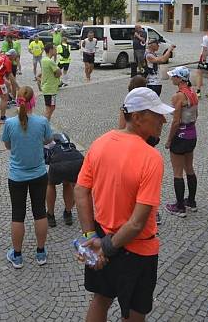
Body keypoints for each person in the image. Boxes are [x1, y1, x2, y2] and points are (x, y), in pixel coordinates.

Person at [75, 87, 172, 322]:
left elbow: (80, 190)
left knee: (100, 299)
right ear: (137, 118)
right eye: (157, 115)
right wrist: (106, 247)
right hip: (137, 250)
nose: (163, 119)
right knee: (135, 312)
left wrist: (92, 238)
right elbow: (137, 223)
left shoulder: (99, 143)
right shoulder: (151, 158)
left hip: (101, 236)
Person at [2, 86, 52, 268]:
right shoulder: (42, 122)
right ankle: (40, 253)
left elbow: (7, 145)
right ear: (33, 102)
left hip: (17, 176)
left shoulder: (9, 123)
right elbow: (47, 140)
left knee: (17, 215)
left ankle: (17, 255)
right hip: (38, 174)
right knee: (40, 212)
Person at [164, 67, 199, 218]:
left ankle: (179, 206)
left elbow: (176, 121)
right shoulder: (192, 92)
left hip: (181, 135)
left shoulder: (178, 96)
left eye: (174, 76)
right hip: (192, 134)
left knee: (178, 172)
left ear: (180, 79)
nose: (172, 79)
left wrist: (169, 140)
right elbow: (196, 114)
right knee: (189, 168)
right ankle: (191, 201)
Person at [45, 132, 84, 227]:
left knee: (50, 184)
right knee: (67, 183)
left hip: (57, 163)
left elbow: (46, 159)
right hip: (77, 161)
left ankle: (50, 215)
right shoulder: (71, 146)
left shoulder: (51, 146)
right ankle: (68, 213)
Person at [36, 43, 61, 121]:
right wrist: (57, 75)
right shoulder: (50, 61)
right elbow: (59, 73)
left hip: (49, 88)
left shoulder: (44, 60)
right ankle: (44, 125)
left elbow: (41, 73)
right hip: (50, 89)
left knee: (51, 108)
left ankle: (46, 124)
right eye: (55, 49)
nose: (56, 51)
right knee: (49, 109)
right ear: (51, 50)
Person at [0, 49, 16, 123]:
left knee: (7, 84)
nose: (15, 59)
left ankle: (8, 97)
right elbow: (11, 77)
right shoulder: (8, 61)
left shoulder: (1, 56)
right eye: (14, 57)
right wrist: (18, 87)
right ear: (12, 56)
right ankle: (2, 118)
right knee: (4, 98)